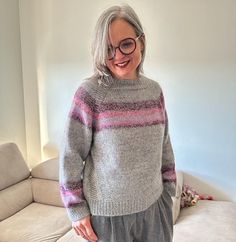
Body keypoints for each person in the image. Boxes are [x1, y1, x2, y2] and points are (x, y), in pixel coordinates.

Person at [59, 4, 176, 242]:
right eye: (108, 49)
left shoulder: (154, 91)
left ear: (141, 41)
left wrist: (170, 192)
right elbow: (70, 155)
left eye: (126, 44)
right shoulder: (90, 94)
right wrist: (76, 208)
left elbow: (164, 144)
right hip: (108, 220)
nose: (118, 56)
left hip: (155, 210)